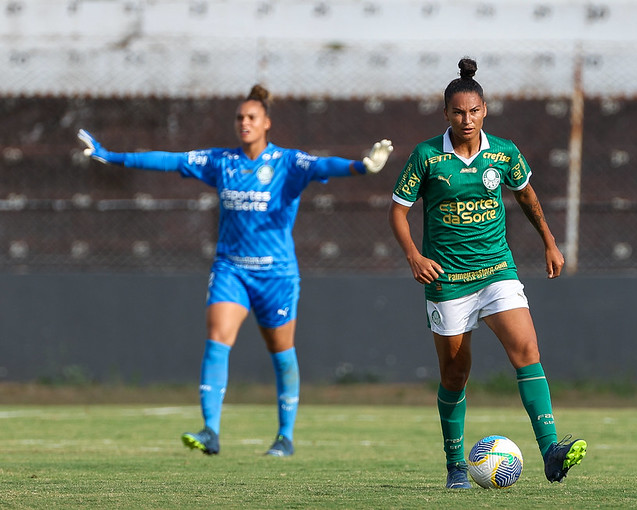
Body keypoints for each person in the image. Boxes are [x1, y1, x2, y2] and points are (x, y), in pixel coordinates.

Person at [78, 84, 393, 457]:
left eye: (252, 117)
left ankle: (285, 437)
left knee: (281, 351)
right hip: (231, 269)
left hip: (276, 275)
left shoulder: (287, 163)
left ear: (266, 123)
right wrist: (112, 157)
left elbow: (323, 166)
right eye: (240, 117)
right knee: (217, 339)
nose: (245, 122)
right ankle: (210, 431)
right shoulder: (221, 161)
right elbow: (169, 160)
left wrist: (361, 166)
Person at [389, 58, 586, 488]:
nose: (467, 119)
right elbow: (397, 212)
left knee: (527, 350)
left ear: (485, 111)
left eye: (474, 111)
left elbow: (527, 195)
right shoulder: (426, 156)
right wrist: (414, 257)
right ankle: (456, 466)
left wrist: (550, 241)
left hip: (497, 270)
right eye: (458, 112)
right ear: (446, 113)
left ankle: (551, 451)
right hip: (447, 282)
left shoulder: (504, 152)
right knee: (455, 375)